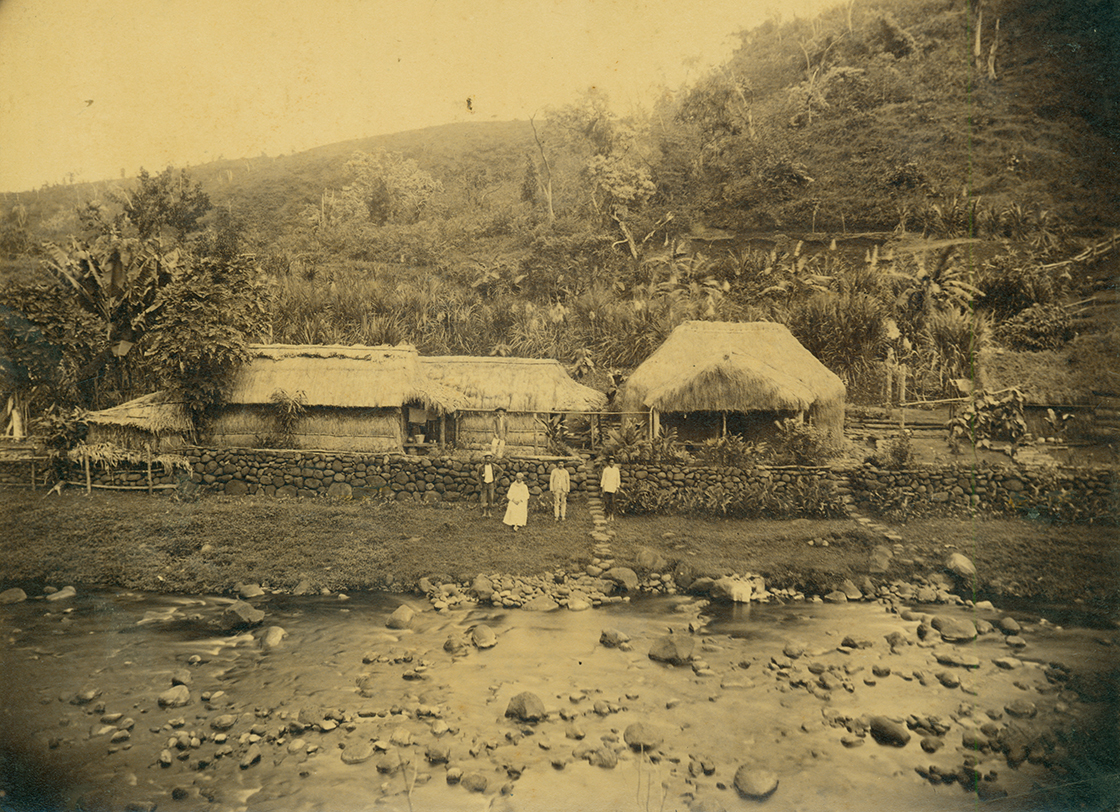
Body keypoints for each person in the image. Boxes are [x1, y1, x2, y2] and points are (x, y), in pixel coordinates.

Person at [475, 453, 502, 517]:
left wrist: (496, 479)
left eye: (489, 458)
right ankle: (484, 512)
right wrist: (480, 483)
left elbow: (501, 471)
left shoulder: (494, 466)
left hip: (491, 484)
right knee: (484, 498)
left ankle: (489, 512)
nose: (488, 459)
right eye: (487, 458)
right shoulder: (481, 467)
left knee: (491, 498)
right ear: (485, 459)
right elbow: (477, 476)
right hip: (484, 484)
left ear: (491, 459)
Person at [600, 456, 621, 521]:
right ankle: (608, 515)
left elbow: (618, 479)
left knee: (612, 502)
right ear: (608, 463)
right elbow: (603, 479)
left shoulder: (616, 470)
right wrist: (603, 487)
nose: (611, 463)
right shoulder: (606, 470)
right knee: (607, 502)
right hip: (607, 488)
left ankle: (612, 515)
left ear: (614, 463)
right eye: (610, 462)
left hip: (613, 488)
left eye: (613, 462)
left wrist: (617, 487)